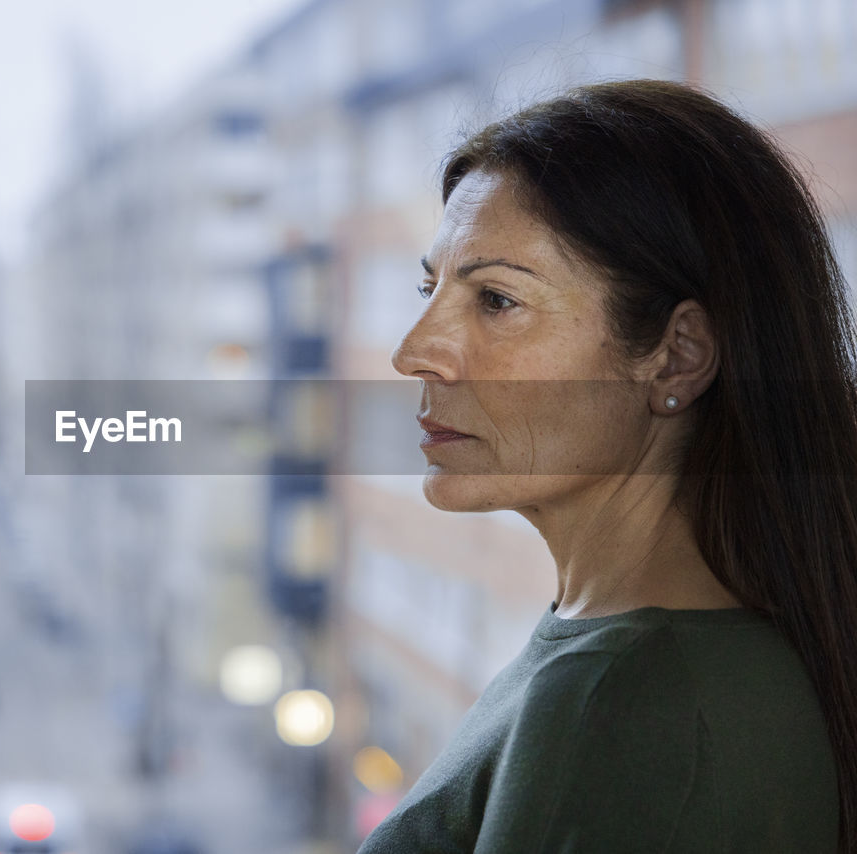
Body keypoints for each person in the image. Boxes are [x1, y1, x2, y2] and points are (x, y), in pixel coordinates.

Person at [358, 79, 855, 853]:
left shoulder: (628, 704)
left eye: (495, 300)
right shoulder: (621, 652)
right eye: (430, 288)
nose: (414, 350)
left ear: (677, 356)